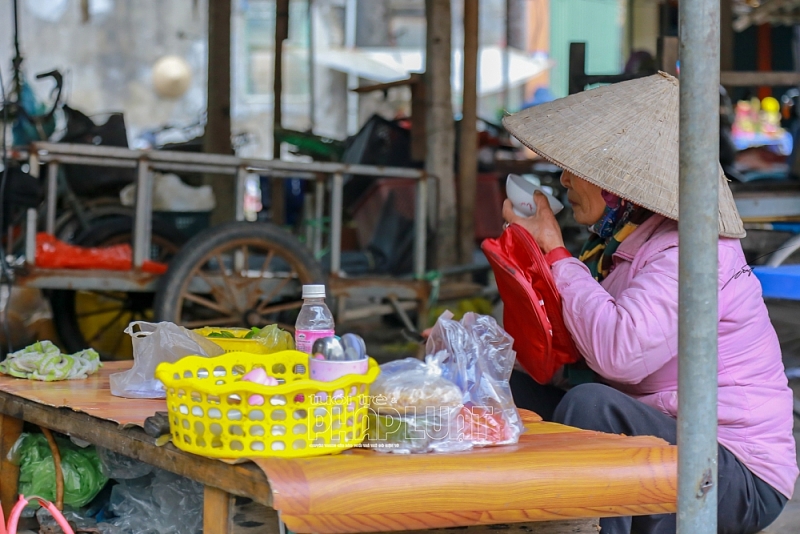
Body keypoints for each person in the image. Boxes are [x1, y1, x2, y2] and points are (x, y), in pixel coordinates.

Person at [500, 73, 798, 534]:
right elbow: (572, 342)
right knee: (503, 391)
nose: (563, 180)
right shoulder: (622, 245)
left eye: (575, 169)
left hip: (736, 472)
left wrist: (556, 253)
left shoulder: (691, 249)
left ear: (616, 184)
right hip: (676, 439)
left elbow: (619, 355)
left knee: (592, 407)